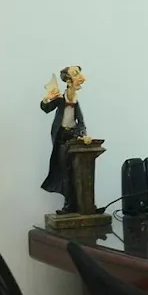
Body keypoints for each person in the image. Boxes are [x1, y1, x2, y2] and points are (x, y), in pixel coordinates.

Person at [40, 65, 90, 214]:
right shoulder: (61, 99)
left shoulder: (75, 101)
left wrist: (83, 134)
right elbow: (46, 108)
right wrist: (46, 99)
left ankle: (80, 205)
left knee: (76, 173)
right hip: (61, 140)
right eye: (75, 74)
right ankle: (69, 205)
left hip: (73, 138)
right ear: (68, 81)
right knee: (65, 174)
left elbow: (80, 121)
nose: (80, 77)